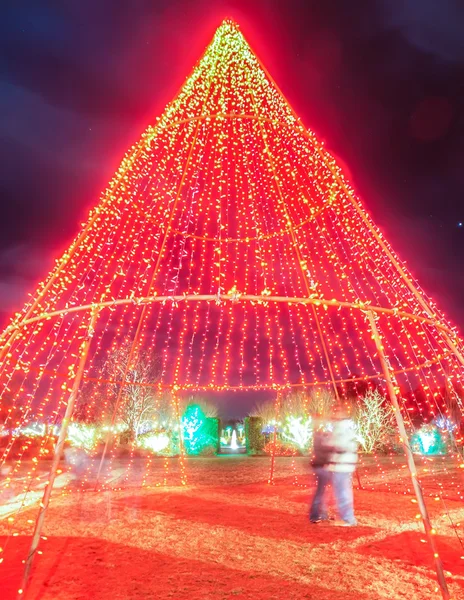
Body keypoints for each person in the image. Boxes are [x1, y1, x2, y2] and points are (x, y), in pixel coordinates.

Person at [328, 406, 358, 526]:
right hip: (344, 464)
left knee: (343, 492)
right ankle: (347, 516)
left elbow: (340, 446)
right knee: (343, 491)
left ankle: (348, 519)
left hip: (342, 465)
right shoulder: (346, 428)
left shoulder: (341, 430)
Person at [309, 420, 332, 523]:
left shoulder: (318, 437)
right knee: (320, 492)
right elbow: (325, 450)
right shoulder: (319, 439)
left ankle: (322, 514)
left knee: (322, 491)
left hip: (321, 466)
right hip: (321, 467)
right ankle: (314, 515)